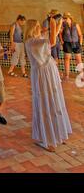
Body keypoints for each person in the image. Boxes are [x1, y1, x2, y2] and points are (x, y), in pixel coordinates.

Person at [24, 19, 72, 152]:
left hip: (49, 72)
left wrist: (56, 25)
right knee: (45, 103)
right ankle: (46, 139)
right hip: (41, 75)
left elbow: (52, 39)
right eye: (38, 26)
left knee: (55, 100)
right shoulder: (30, 42)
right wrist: (53, 25)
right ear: (33, 28)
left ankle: (56, 134)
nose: (40, 28)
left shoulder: (39, 38)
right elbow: (52, 41)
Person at [60, 12, 83, 81]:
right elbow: (60, 34)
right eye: (64, 18)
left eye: (65, 18)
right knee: (67, 59)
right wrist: (62, 41)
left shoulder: (76, 24)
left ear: (69, 18)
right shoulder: (63, 25)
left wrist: (80, 43)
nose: (64, 19)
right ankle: (67, 75)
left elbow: (80, 34)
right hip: (67, 43)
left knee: (79, 60)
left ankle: (82, 75)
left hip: (76, 43)